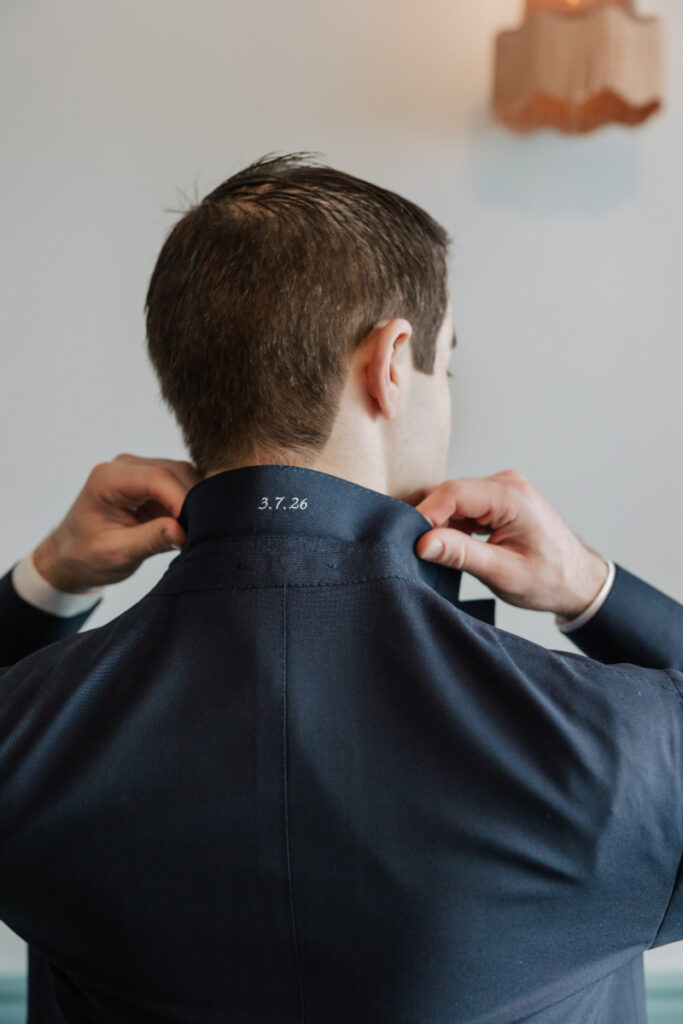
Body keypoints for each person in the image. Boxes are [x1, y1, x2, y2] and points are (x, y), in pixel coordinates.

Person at [1, 151, 680, 1023]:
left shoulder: (24, 738)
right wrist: (594, 590)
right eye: (444, 366)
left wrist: (45, 583)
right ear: (391, 363)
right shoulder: (623, 749)